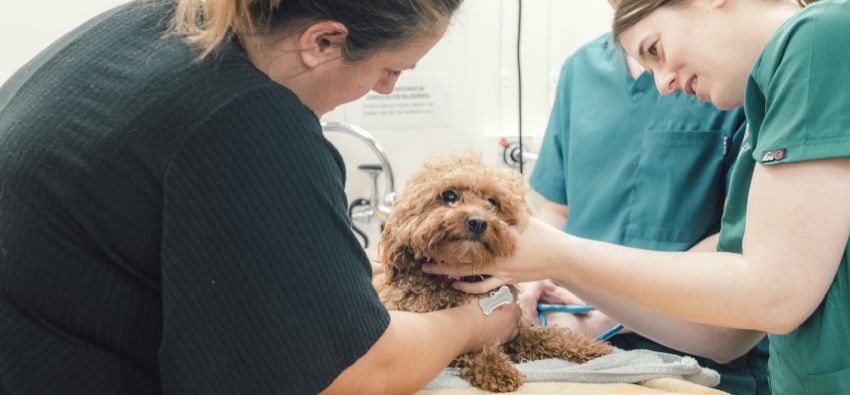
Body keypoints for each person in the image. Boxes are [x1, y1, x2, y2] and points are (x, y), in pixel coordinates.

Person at [0, 0, 521, 394]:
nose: (386, 89)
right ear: (322, 42)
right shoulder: (248, 119)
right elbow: (358, 370)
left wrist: (316, 267)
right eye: (392, 70)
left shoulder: (157, 22)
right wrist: (478, 320)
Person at [423, 0, 850, 393]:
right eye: (646, 63)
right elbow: (724, 333)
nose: (664, 85)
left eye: (656, 48)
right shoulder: (765, 95)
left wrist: (562, 260)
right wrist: (559, 272)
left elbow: (771, 295)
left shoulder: (819, 37)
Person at [518, 4, 768, 390]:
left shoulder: (730, 68)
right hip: (576, 345)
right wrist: (531, 277)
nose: (664, 82)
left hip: (696, 355)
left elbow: (745, 243)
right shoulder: (581, 69)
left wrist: (609, 310)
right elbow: (557, 209)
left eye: (656, 48)